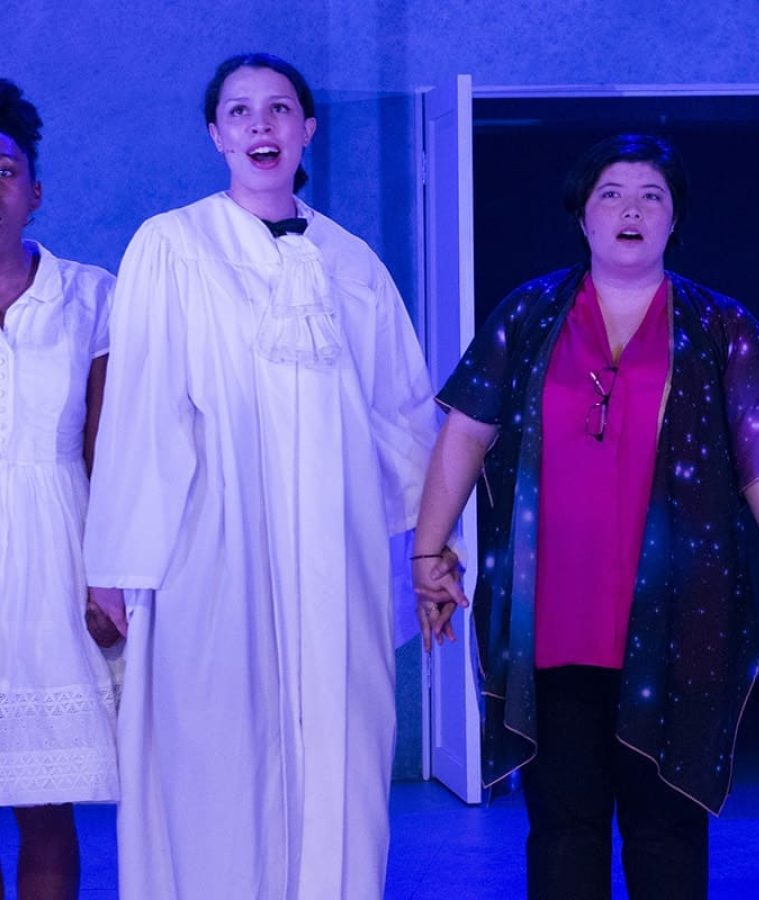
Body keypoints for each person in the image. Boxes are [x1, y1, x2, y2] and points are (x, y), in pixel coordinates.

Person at [81, 53, 437, 898]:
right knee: (216, 755)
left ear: (307, 128)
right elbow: (143, 411)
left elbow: (403, 415)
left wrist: (425, 552)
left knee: (341, 750)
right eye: (239, 112)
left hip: (334, 555)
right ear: (215, 135)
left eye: (279, 109)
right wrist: (119, 567)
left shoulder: (354, 264)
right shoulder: (173, 246)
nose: (260, 125)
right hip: (215, 545)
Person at [412, 133, 759, 900]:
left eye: (652, 195)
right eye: (612, 194)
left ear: (674, 218)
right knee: (563, 825)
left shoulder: (722, 327)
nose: (632, 209)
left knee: (668, 827)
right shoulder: (527, 313)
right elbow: (465, 434)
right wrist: (428, 555)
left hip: (678, 622)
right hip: (551, 623)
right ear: (582, 217)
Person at [0, 77, 119, 900]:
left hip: (53, 563)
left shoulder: (90, 296)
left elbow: (109, 452)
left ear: (34, 193)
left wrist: (102, 570)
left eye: (3, 169)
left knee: (45, 806)